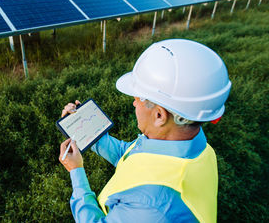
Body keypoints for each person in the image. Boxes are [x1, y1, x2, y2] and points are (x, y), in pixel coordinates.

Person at [59, 39, 231, 223]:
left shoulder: (153, 207)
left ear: (159, 115)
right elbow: (129, 155)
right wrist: (87, 131)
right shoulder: (196, 146)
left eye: (138, 98)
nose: (134, 103)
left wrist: (76, 170)